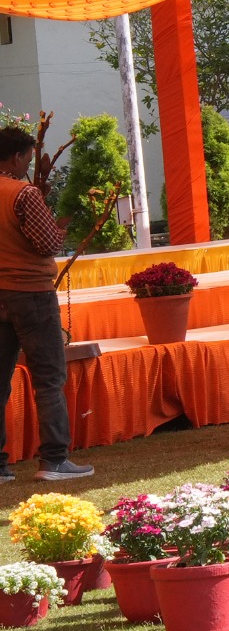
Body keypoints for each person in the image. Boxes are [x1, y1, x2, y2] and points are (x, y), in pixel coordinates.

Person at [0, 127, 89, 482]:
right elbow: (48, 244)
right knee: (49, 377)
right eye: (27, 158)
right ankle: (54, 459)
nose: (28, 165)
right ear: (16, 157)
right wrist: (60, 227)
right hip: (31, 292)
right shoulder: (23, 193)